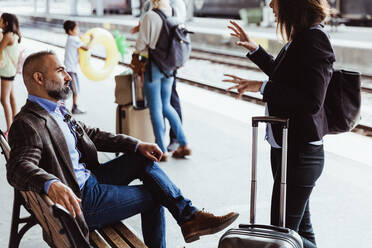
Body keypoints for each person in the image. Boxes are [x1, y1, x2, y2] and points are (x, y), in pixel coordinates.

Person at [6, 50, 239, 247]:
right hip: (82, 202)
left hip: (90, 180)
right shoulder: (28, 123)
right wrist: (50, 183)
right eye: (60, 71)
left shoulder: (56, 108)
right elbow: (17, 167)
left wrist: (136, 145)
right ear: (38, 78)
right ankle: (189, 218)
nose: (68, 76)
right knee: (156, 195)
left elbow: (92, 134)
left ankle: (190, 216)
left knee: (143, 159)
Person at [224, 0, 335, 247]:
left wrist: (262, 87)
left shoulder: (314, 39)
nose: (272, 6)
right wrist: (255, 50)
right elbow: (284, 75)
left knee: (281, 233)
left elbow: (312, 100)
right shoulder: (302, 37)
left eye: (275, 0)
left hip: (301, 152)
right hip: (286, 149)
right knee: (298, 232)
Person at [132, 0, 191, 161]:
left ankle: (162, 150)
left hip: (154, 66)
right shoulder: (173, 12)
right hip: (169, 67)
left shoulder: (150, 15)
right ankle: (184, 143)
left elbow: (140, 45)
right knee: (167, 105)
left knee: (155, 109)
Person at [63, 20, 93, 114]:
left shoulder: (71, 38)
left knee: (65, 88)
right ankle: (74, 107)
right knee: (75, 90)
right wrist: (92, 39)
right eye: (76, 28)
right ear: (71, 31)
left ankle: (63, 107)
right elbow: (86, 48)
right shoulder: (74, 39)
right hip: (71, 69)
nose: (78, 30)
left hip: (68, 68)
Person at [0, 13, 21, 138]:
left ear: (6, 23)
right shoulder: (14, 35)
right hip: (11, 70)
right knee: (11, 96)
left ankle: (9, 130)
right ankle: (15, 125)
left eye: (0, 20)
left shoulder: (7, 36)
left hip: (6, 71)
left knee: (4, 99)